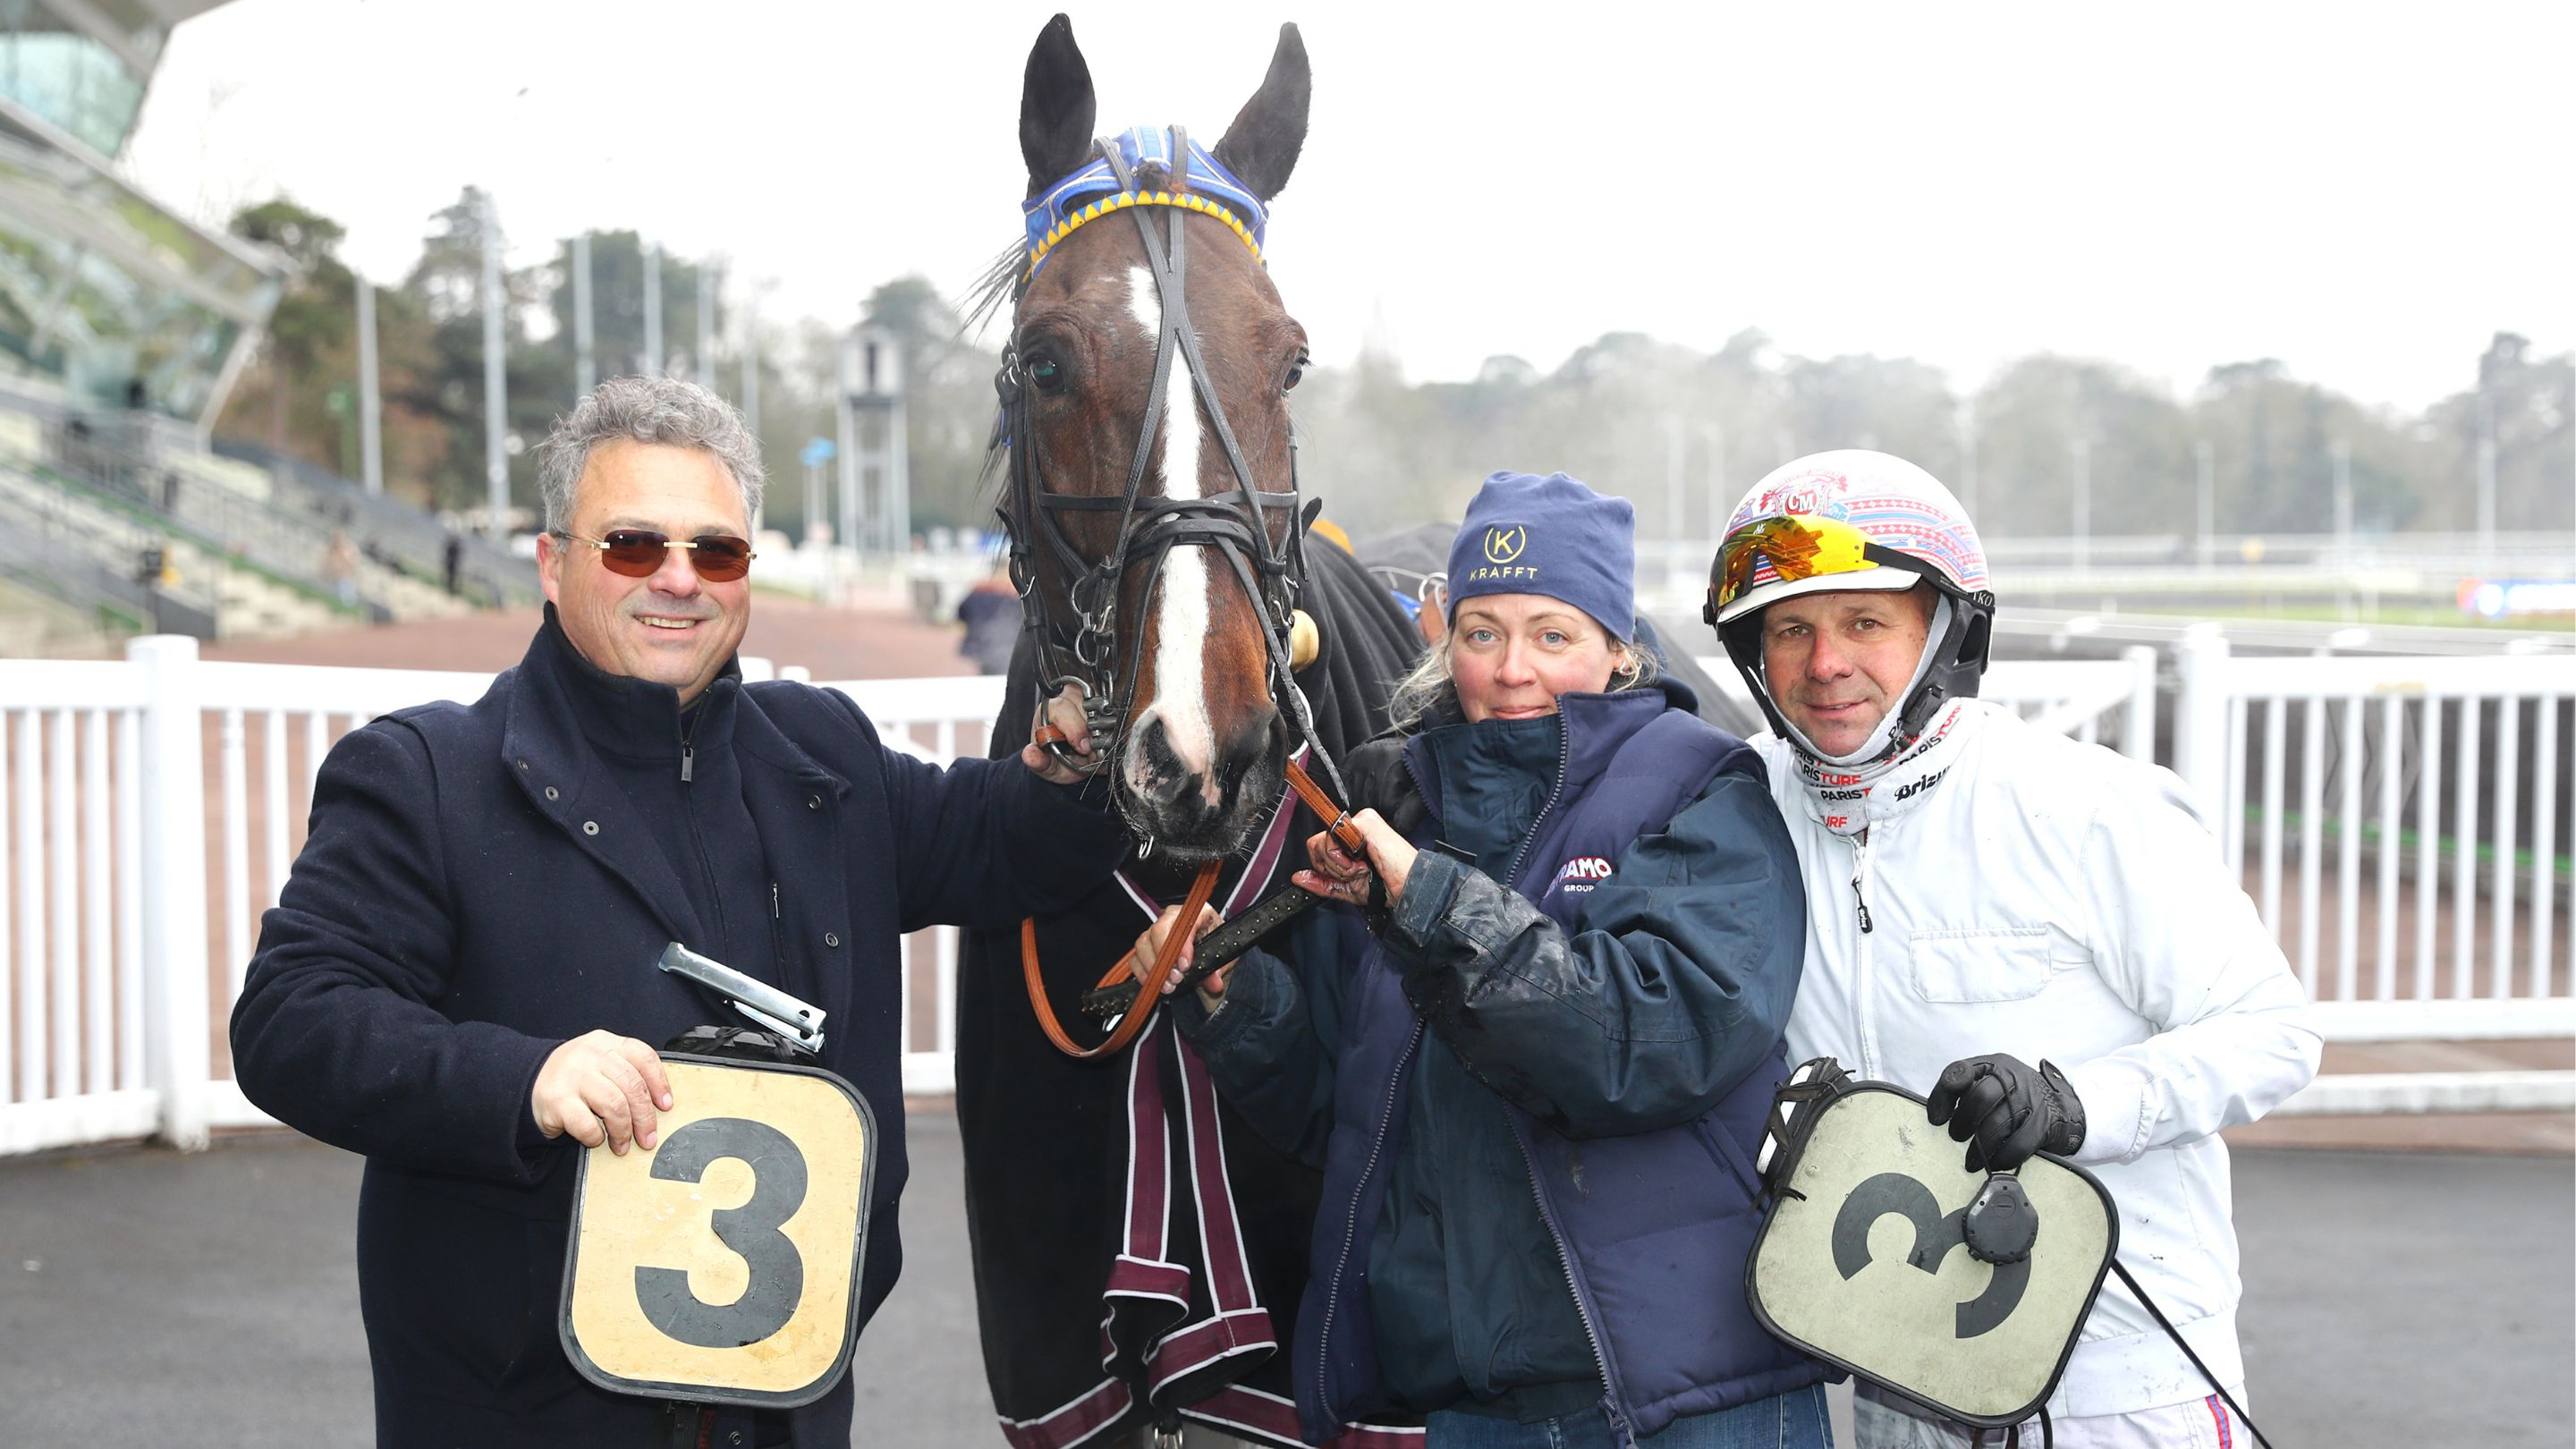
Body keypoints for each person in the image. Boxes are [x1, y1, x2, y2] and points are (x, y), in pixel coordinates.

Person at [230, 377, 1124, 1449]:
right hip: (521, 1415)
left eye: (717, 552)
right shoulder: (425, 774)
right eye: (632, 547)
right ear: (554, 562)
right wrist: (524, 1078)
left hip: (787, 1408)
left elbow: (1005, 842)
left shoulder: (824, 753)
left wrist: (1082, 761)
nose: (678, 581)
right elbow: (290, 1021)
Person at [1138, 472, 1829, 1449]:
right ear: (1441, 635)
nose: (1512, 670)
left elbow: (1643, 1044)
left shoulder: (1701, 786)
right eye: (1482, 632)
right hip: (1474, 1407)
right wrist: (1236, 999)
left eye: (1554, 635)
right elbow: (1345, 1112)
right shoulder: (1399, 809)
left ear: (1619, 647)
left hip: (1689, 1393)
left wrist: (1429, 900)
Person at [1705, 450, 2321, 1449]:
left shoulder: (2086, 806)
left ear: (1945, 629)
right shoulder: (1737, 809)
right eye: (1791, 630)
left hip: (2119, 1387)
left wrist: (2077, 1104)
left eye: (1866, 622)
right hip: (1900, 1385)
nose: (1825, 664)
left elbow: (2274, 1032)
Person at [955, 560, 1021, 674]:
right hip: (1005, 649)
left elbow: (961, 613)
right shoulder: (1014, 593)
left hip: (980, 646)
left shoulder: (979, 589)